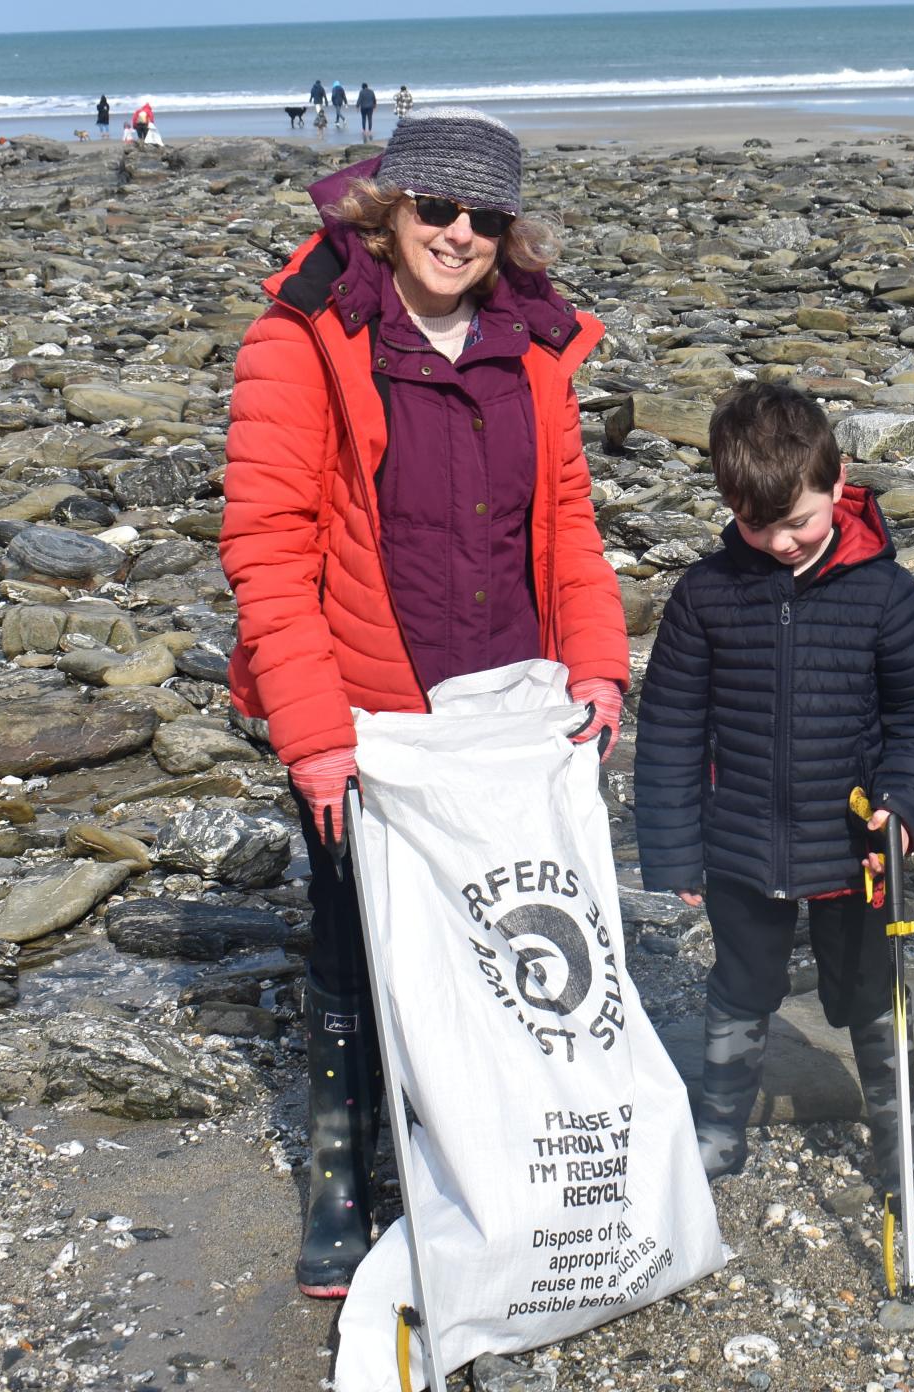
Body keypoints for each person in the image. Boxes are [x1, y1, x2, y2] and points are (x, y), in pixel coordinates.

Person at [220, 106, 632, 1299]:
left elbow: (567, 527)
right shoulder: (301, 339)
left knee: (504, 938)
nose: (458, 234)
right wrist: (315, 741)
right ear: (385, 210)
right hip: (365, 705)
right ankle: (345, 1175)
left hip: (510, 703)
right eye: (437, 209)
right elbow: (267, 550)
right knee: (356, 940)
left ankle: (487, 1166)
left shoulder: (533, 343)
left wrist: (598, 669)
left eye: (484, 217)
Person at [633, 383, 914, 1213]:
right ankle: (718, 1130)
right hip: (740, 843)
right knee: (741, 985)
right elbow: (670, 727)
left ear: (839, 479)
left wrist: (907, 804)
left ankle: (899, 1146)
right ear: (730, 505)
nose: (781, 542)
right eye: (757, 525)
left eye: (801, 522)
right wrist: (672, 847)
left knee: (868, 993)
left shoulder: (885, 596)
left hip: (854, 851)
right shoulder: (706, 597)